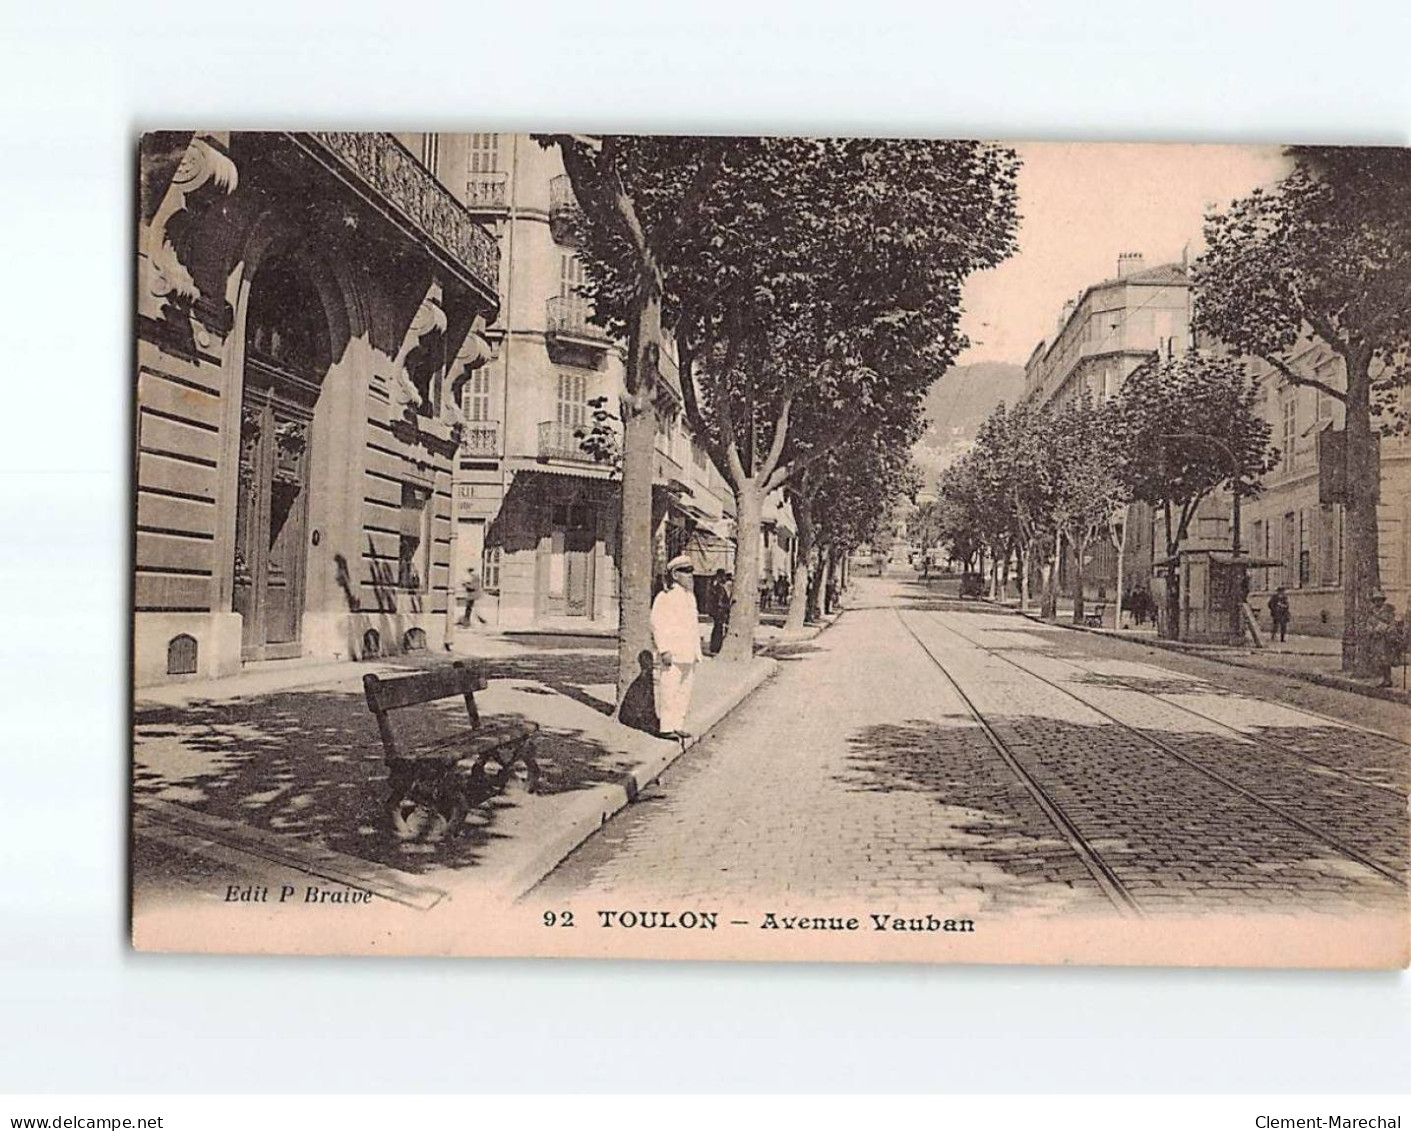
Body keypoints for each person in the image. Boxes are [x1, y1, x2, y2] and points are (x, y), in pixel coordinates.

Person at [651, 554, 703, 739]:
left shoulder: (690, 597)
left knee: (684, 691)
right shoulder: (665, 597)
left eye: (691, 572)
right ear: (674, 575)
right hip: (673, 652)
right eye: (685, 572)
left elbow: (692, 626)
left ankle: (678, 724)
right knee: (669, 689)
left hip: (689, 652)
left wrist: (697, 651)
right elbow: (657, 623)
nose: (690, 576)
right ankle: (666, 727)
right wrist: (663, 649)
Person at [1368, 594, 1399, 688]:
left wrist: (1386, 630)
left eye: (1379, 600)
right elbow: (1369, 623)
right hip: (1376, 639)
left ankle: (1388, 679)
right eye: (1375, 600)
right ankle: (1385, 679)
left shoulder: (1388, 612)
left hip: (1385, 640)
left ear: (1383, 601)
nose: (1377, 602)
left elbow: (1393, 624)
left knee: (1386, 660)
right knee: (1379, 660)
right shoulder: (1372, 612)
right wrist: (1371, 630)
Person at [708, 569, 732, 656]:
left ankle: (714, 646)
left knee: (717, 628)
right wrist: (728, 606)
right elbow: (720, 602)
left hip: (717, 611)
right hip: (719, 611)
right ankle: (716, 647)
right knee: (718, 629)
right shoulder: (719, 588)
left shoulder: (715, 586)